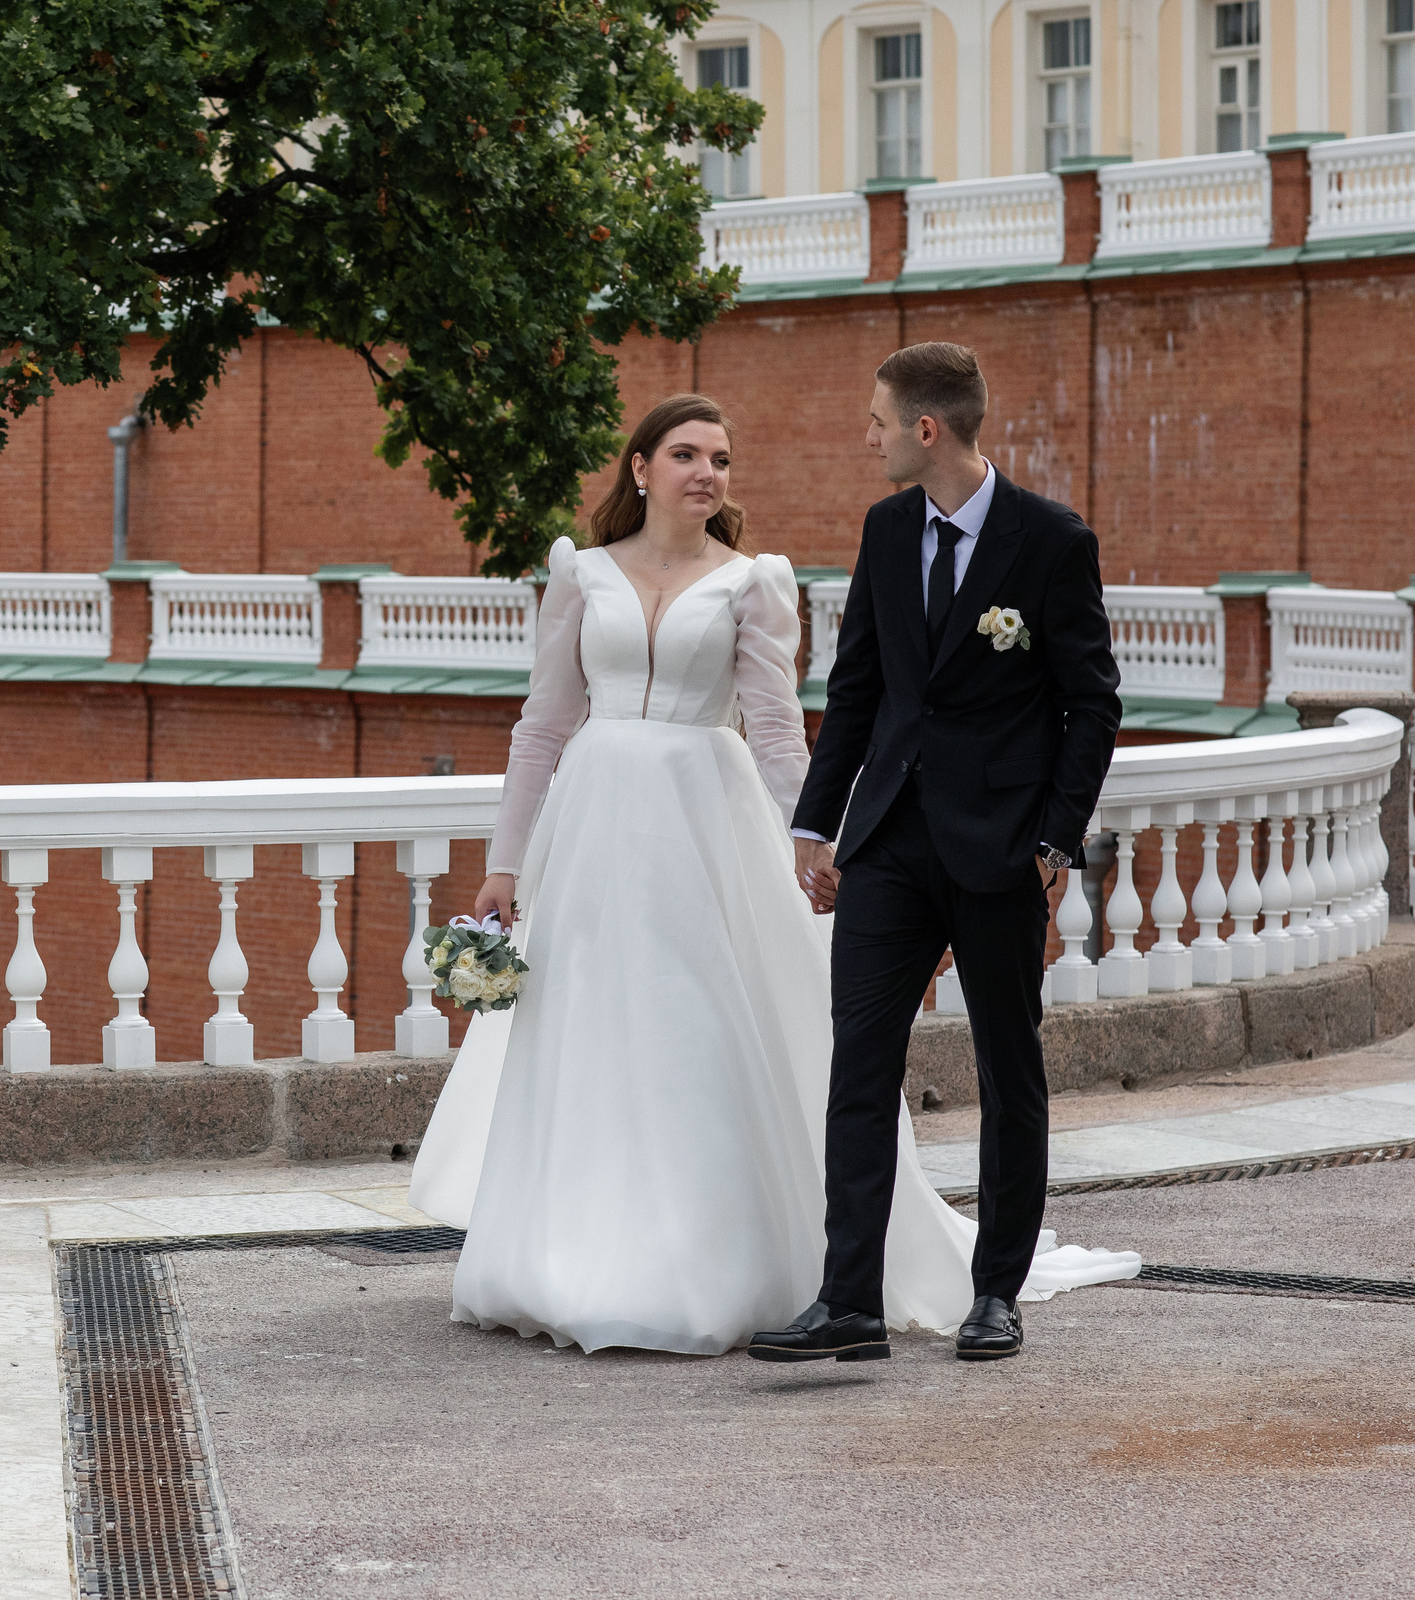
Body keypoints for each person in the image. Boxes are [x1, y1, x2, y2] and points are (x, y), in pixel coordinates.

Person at [406, 388, 1134, 1357]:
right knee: (586, 1037)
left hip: (706, 828)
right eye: (686, 455)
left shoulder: (754, 582)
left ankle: (724, 1266)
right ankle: (567, 1253)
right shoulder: (579, 572)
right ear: (639, 468)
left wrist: (813, 837)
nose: (707, 473)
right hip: (588, 833)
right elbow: (541, 726)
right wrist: (504, 864)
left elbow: (781, 729)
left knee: (695, 1034)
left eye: (720, 458)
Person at [751, 343, 1123, 1365]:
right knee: (860, 1066)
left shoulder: (1050, 540)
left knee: (1008, 1070)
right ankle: (848, 1302)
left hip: (999, 851)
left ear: (927, 429)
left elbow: (1091, 704)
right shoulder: (885, 529)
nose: (866, 437)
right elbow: (858, 687)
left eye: (877, 421)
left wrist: (1052, 840)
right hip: (886, 845)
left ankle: (995, 1293)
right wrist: (816, 823)